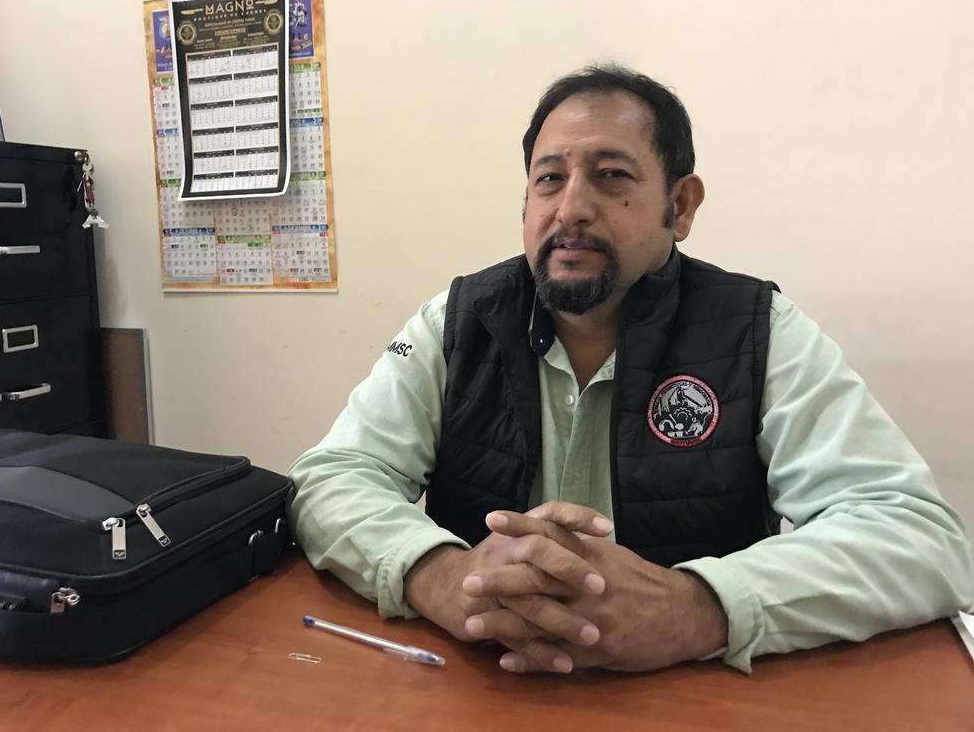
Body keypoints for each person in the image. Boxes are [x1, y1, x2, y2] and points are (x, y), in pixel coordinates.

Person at [287, 64, 974, 675]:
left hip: (691, 696)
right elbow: (332, 477)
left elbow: (918, 536)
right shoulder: (459, 321)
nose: (571, 208)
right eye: (549, 178)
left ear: (681, 206)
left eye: (611, 176)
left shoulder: (755, 328)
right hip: (483, 685)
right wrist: (439, 574)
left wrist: (699, 607)